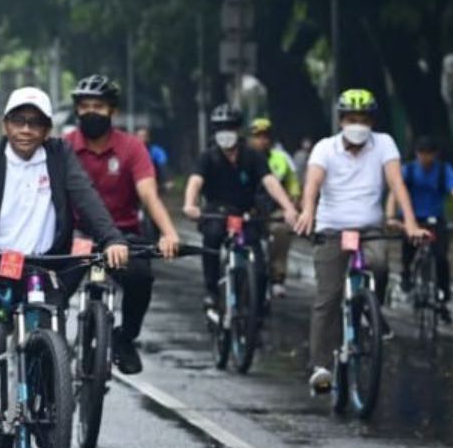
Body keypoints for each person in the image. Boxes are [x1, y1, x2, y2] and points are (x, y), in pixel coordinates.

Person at [0, 87, 128, 426]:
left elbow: (87, 198)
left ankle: (49, 401)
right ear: (5, 124)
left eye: (35, 123)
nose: (26, 130)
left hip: (43, 266)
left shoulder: (60, 156)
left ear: (47, 129)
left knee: (51, 327)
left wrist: (111, 239)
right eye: (19, 121)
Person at [293, 89, 428, 393]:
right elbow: (312, 183)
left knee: (379, 265)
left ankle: (370, 312)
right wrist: (307, 212)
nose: (358, 124)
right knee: (328, 297)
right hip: (331, 229)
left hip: (370, 228)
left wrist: (410, 223)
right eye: (352, 119)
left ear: (372, 121)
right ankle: (321, 365)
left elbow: (396, 183)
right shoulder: (324, 149)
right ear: (341, 121)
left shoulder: (384, 144)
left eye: (364, 119)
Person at [65, 74, 180, 373]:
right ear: (77, 110)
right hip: (76, 236)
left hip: (121, 237)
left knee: (141, 277)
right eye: (85, 105)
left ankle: (126, 338)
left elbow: (148, 194)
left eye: (99, 106)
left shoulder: (131, 148)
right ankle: (46, 349)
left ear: (112, 110)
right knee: (52, 287)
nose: (92, 112)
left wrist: (168, 233)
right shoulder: (63, 147)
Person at [181, 104, 300, 311]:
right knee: (212, 239)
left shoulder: (252, 156)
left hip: (246, 214)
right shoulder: (208, 157)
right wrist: (190, 204)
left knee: (260, 267)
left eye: (230, 128)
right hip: (217, 213)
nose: (226, 133)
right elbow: (195, 181)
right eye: (221, 128)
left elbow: (270, 181)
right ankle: (211, 290)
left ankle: (258, 304)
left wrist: (288, 207)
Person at [389, 135, 453, 319]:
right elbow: (395, 192)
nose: (425, 158)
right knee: (409, 247)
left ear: (435, 154)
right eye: (422, 154)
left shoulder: (444, 170)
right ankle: (406, 273)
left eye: (429, 154)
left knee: (441, 258)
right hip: (412, 219)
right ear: (417, 154)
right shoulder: (408, 170)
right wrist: (391, 217)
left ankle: (443, 298)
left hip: (436, 220)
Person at [250, 118, 300, 297]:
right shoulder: (242, 157)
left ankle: (277, 277)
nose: (262, 141)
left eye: (265, 136)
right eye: (257, 136)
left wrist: (292, 206)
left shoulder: (281, 159)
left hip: (273, 210)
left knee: (282, 229)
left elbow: (293, 184)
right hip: (248, 211)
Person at [135, 124, 169, 192]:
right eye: (139, 136)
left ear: (148, 138)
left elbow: (163, 167)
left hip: (154, 182)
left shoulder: (156, 151)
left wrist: (166, 181)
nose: (141, 139)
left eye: (143, 136)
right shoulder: (132, 152)